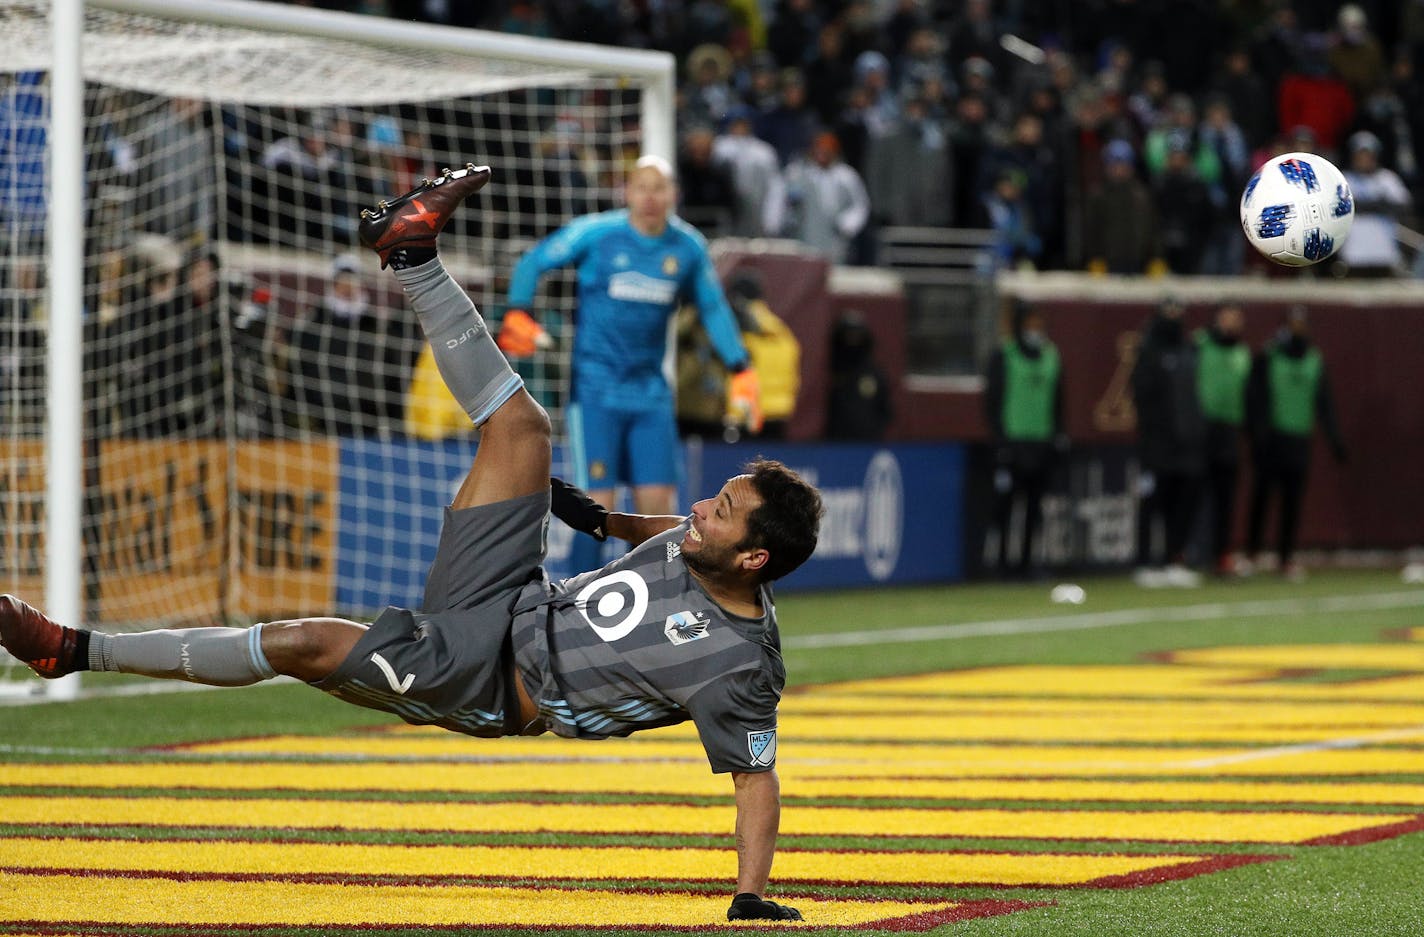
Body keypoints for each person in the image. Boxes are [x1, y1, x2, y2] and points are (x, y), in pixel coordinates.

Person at [0, 163, 821, 923]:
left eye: (721, 511)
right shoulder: (698, 540)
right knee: (523, 427)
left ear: (753, 559)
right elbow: (667, 526)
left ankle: (73, 650)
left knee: (304, 640)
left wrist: (750, 895)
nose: (700, 509)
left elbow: (755, 779)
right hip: (513, 595)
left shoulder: (739, 664)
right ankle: (413, 251)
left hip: (488, 680)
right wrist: (600, 521)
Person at [496, 156, 761, 574]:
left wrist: (741, 368)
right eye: (642, 186)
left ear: (675, 194)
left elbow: (712, 307)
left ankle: (658, 607)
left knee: (659, 511)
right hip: (596, 393)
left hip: (651, 396)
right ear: (627, 191)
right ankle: (575, 603)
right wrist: (518, 312)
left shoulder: (687, 246)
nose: (650, 197)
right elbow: (533, 262)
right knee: (597, 506)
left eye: (660, 187)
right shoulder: (598, 233)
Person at [1245, 305, 1347, 581]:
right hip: (1272, 439)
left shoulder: (1314, 359)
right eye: (1293, 324)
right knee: (1262, 498)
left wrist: (1335, 439)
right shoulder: (1270, 356)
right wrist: (1257, 433)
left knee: (1292, 503)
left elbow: (1324, 403)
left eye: (1302, 324)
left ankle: (1285, 557)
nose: (1297, 330)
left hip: (1299, 438)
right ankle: (1252, 553)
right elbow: (1256, 397)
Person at [982, 301, 1065, 579]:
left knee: (1034, 509)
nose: (1034, 331)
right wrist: (1000, 441)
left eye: (1038, 326)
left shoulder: (1052, 356)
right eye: (1029, 325)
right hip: (1012, 443)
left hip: (1040, 444)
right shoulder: (1004, 356)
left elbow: (1059, 401)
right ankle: (1003, 563)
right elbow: (992, 403)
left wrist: (1057, 436)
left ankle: (1029, 562)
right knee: (1005, 507)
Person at [1131, 298, 1205, 587]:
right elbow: (1143, 399)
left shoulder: (1189, 350)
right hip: (1158, 443)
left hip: (1188, 443)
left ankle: (1175, 558)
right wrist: (1151, 438)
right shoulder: (1149, 352)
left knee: (1183, 504)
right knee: (1153, 503)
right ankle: (1146, 561)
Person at [1195, 304, 1252, 575]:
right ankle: (1194, 553)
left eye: (1236, 319)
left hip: (1230, 430)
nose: (1232, 324)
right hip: (1201, 428)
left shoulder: (1243, 353)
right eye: (1227, 317)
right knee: (1195, 494)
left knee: (1225, 499)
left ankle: (1222, 555)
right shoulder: (1200, 344)